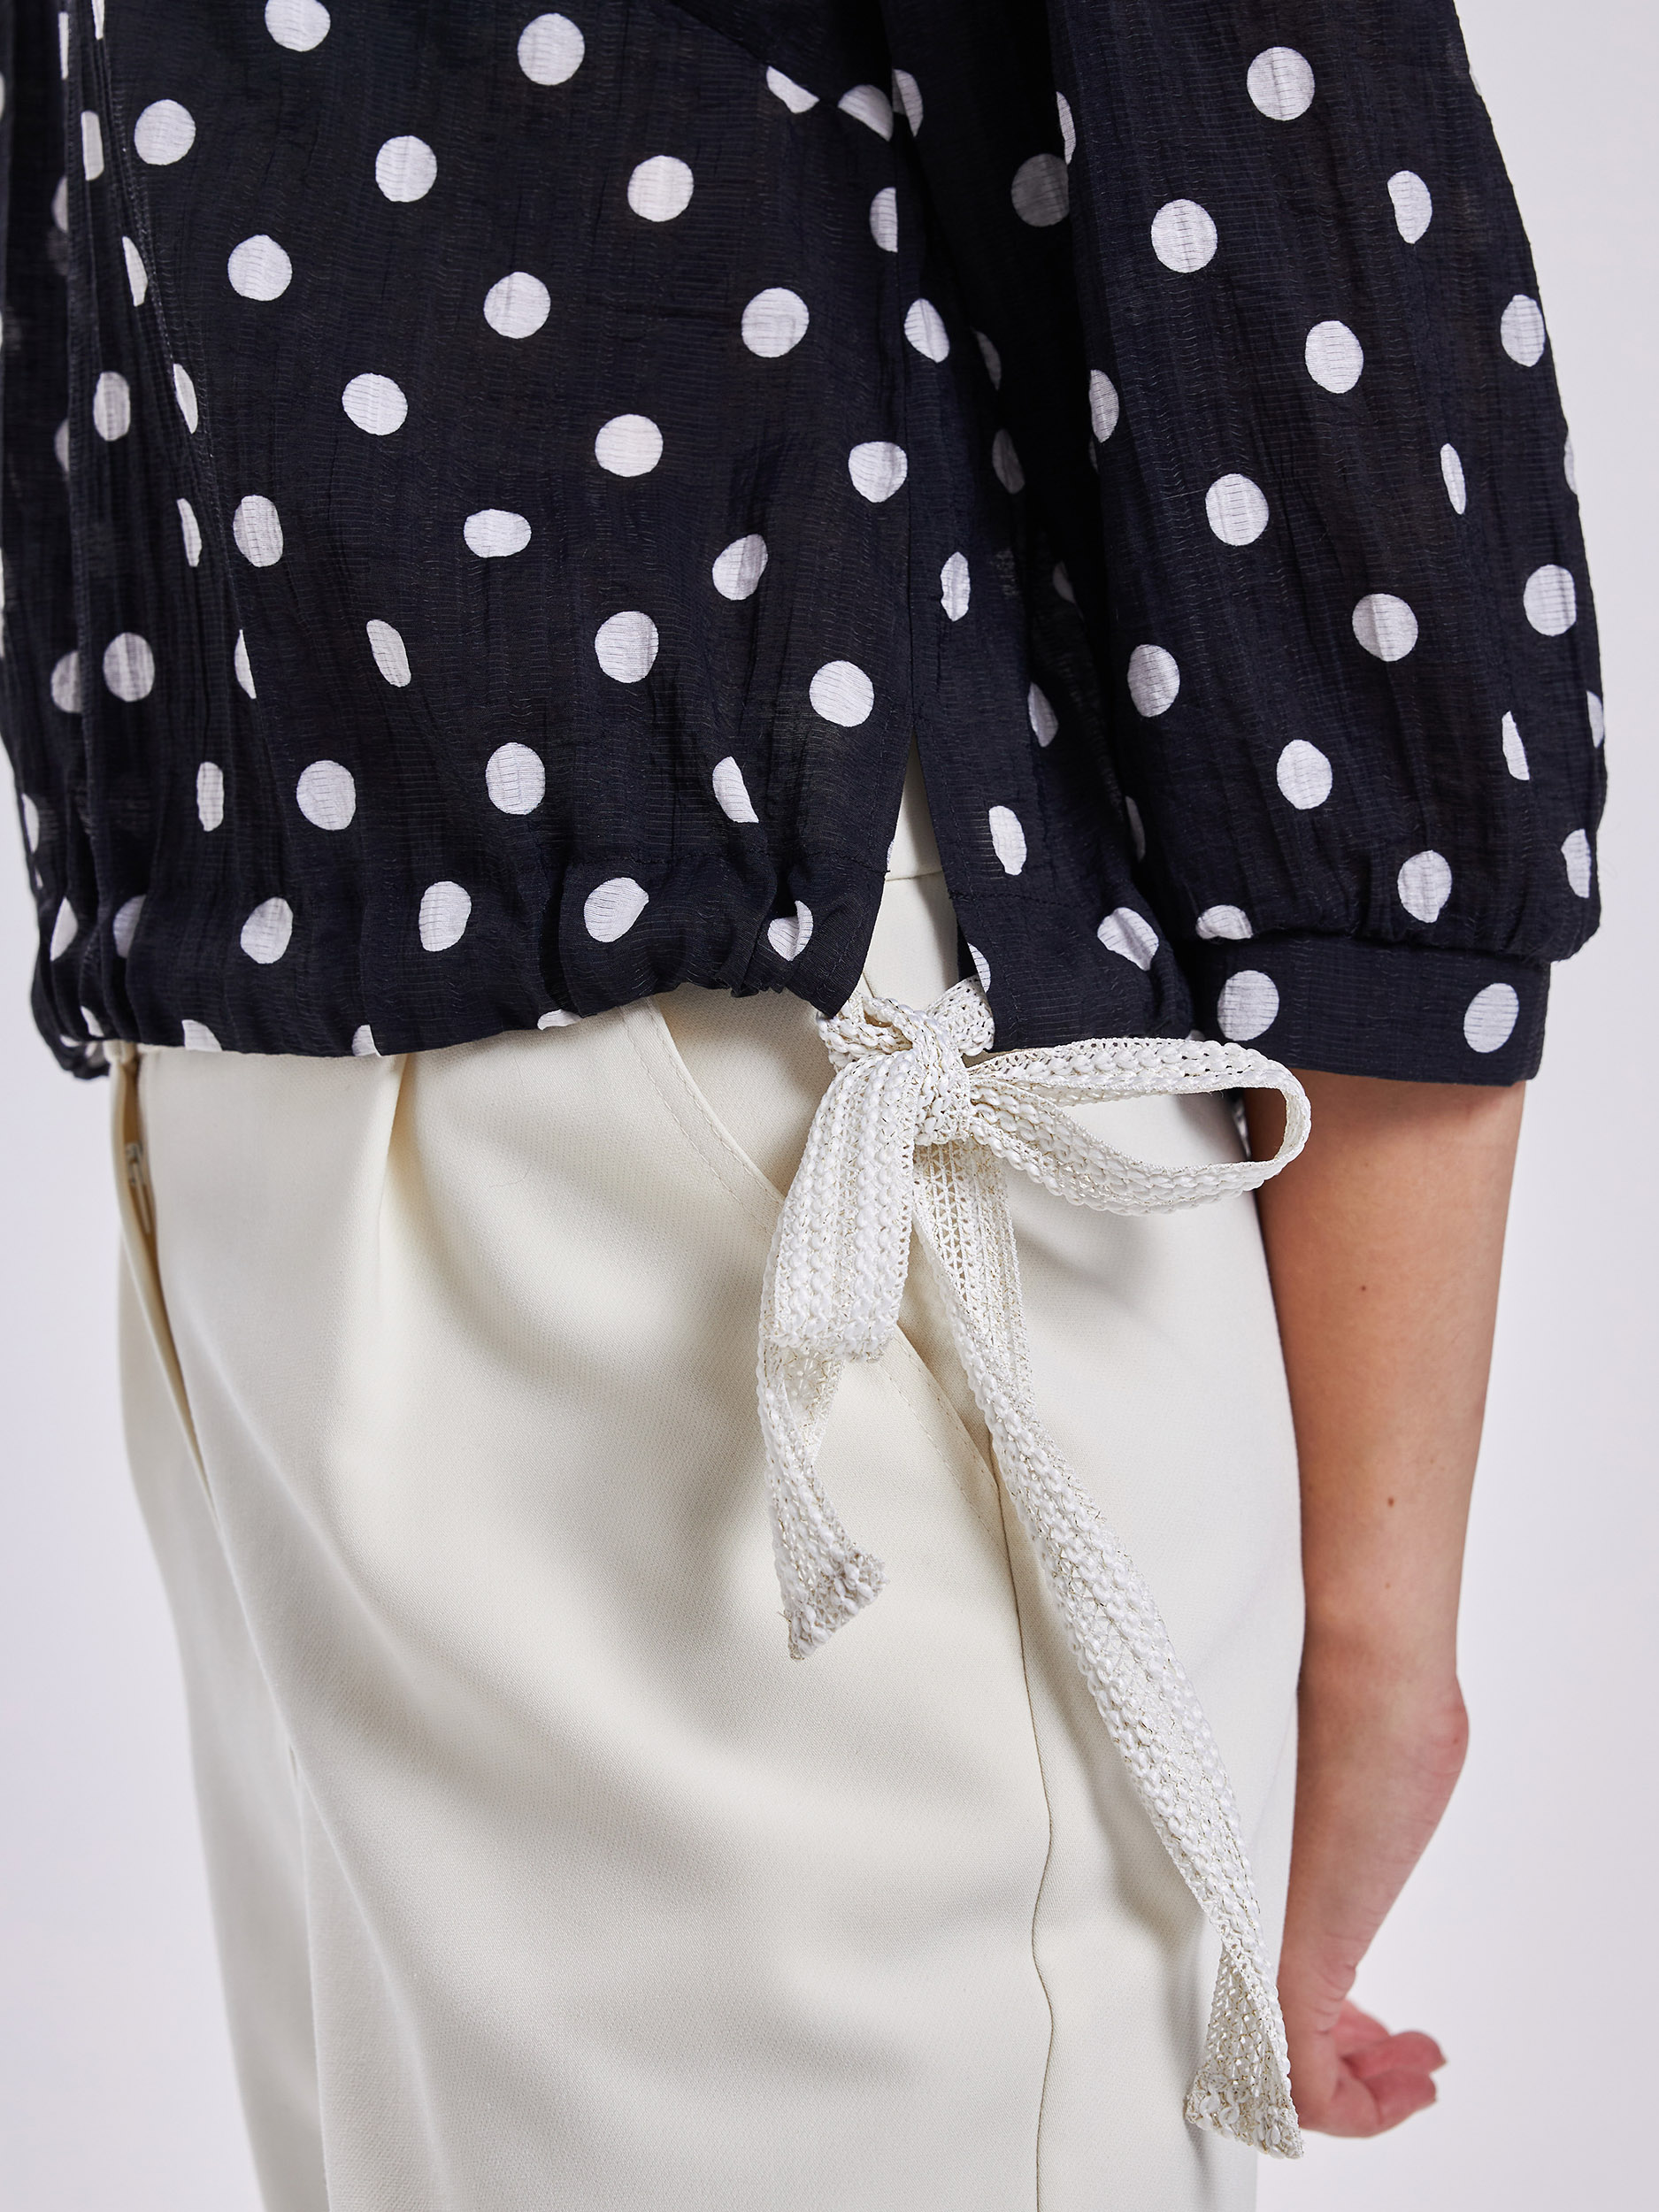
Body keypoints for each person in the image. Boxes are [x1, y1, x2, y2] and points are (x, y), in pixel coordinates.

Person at [3, 3, 1601, 2206]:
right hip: (397, 1089)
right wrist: (1377, 1640)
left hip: (698, 1091)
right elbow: (1310, 278)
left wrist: (1374, 1631)